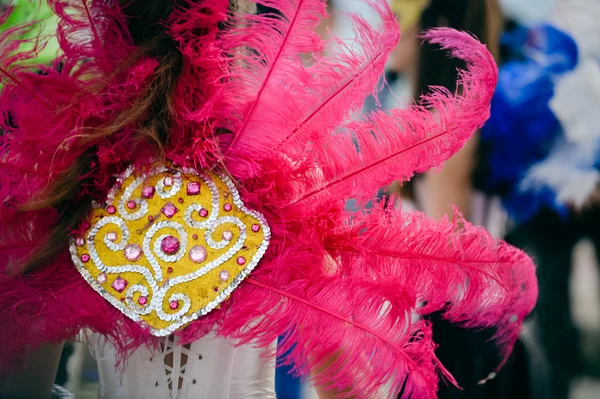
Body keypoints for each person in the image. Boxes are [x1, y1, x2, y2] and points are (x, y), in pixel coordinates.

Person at [0, 1, 537, 398]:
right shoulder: (275, 180)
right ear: (232, 28)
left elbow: (22, 383)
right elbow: (342, 382)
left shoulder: (68, 181)